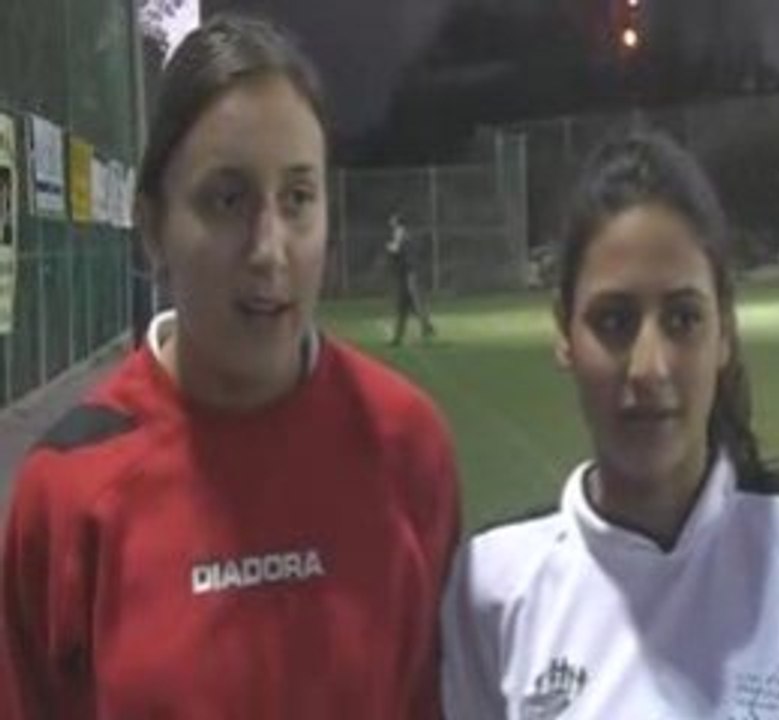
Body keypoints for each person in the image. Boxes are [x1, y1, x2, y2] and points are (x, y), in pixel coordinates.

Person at [1, 14, 460, 719]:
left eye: (298, 199)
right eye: (228, 199)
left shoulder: (407, 444)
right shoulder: (66, 488)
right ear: (153, 227)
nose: (269, 249)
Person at [441, 130, 779, 718]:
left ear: (725, 333)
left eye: (683, 319)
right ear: (564, 333)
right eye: (614, 321)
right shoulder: (494, 588)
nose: (649, 367)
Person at [386, 212, 435, 345]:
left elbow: (396, 249)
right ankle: (423, 327)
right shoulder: (404, 233)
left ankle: (422, 327)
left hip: (409, 273)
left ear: (397, 222)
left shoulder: (400, 232)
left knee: (411, 303)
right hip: (407, 273)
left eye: (392, 220)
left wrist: (389, 247)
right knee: (407, 305)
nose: (390, 222)